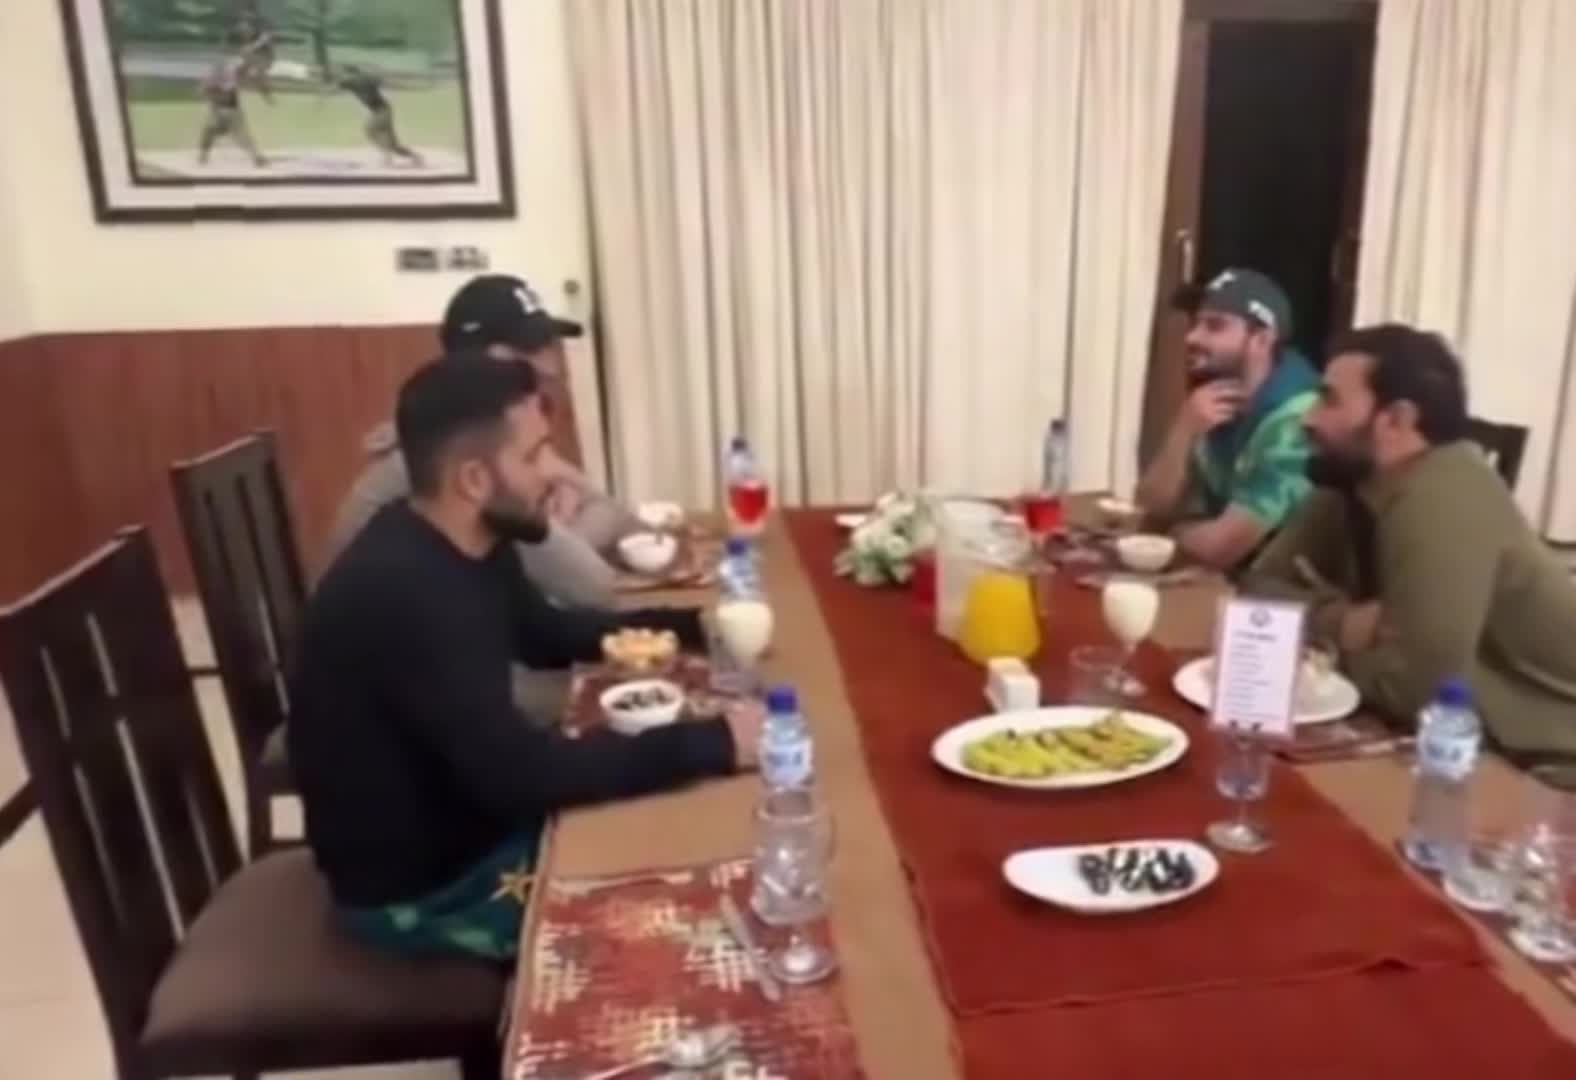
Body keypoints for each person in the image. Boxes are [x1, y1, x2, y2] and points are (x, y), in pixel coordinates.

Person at [289, 355, 762, 960]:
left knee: (679, 825)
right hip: (422, 893)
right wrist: (716, 741)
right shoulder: (408, 595)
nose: (552, 478)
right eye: (534, 456)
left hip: (471, 825)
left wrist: (693, 625)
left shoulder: (464, 539)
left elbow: (546, 634)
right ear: (474, 479)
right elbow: (521, 777)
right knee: (681, 920)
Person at [1246, 324, 1576, 761]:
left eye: (1329, 400)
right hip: (1461, 741)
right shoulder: (1349, 480)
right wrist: (1342, 623)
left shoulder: (1447, 496)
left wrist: (1310, 646)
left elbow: (1416, 692)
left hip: (1547, 763)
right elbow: (1256, 591)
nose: (1308, 419)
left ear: (1396, 420)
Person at [327, 274, 635, 609]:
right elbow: (594, 586)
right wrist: (550, 529)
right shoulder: (453, 460)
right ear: (496, 360)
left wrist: (558, 527)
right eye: (538, 347)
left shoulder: (498, 431)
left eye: (552, 343)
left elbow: (614, 515)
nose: (555, 364)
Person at [1134, 269, 1321, 570]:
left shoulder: (1297, 419)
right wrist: (1184, 429)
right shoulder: (1213, 398)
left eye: (1215, 326)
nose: (1192, 337)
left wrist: (1171, 533)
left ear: (1261, 340)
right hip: (1228, 581)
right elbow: (1152, 505)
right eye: (1195, 324)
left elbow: (1218, 548)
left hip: (1283, 591)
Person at [196, 56, 266, 167]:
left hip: (231, 109)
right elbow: (204, 92)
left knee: (241, 134)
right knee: (210, 131)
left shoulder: (230, 75)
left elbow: (225, 92)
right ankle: (203, 155)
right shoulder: (220, 75)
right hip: (219, 109)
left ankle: (256, 156)